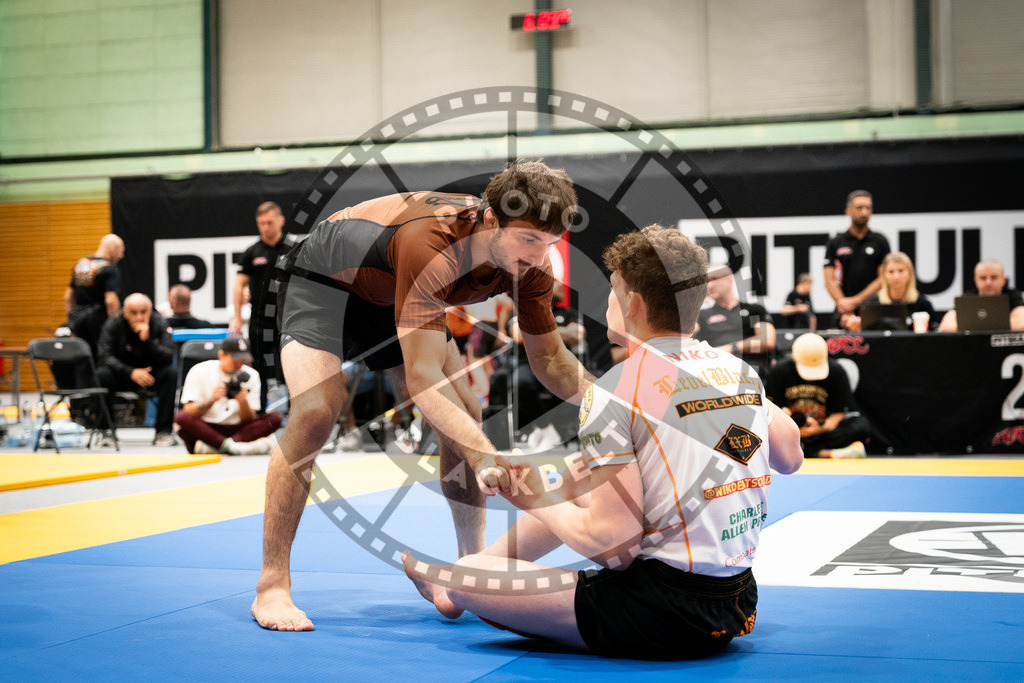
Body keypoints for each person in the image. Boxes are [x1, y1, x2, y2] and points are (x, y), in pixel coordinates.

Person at [402, 225, 804, 660]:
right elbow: (790, 456)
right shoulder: (737, 370)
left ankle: (453, 586)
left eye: (612, 291)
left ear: (632, 304)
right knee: (581, 476)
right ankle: (453, 583)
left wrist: (537, 499)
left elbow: (612, 546)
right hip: (739, 599)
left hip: (661, 612)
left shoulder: (616, 389)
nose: (607, 303)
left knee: (469, 574)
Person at [251, 159, 595, 631]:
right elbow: (423, 379)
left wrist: (616, 407)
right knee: (315, 411)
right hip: (323, 283)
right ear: (491, 218)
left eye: (550, 244)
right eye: (529, 239)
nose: (538, 256)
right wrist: (485, 456)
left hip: (391, 289)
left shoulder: (532, 268)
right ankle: (271, 584)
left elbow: (552, 361)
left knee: (466, 412)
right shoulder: (431, 241)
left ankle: (470, 570)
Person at [503, 279, 586, 450]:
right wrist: (562, 333)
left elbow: (578, 335)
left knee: (577, 384)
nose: (561, 285)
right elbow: (518, 334)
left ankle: (562, 431)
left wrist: (535, 331)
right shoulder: (523, 310)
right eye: (555, 281)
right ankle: (545, 428)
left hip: (561, 364)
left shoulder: (569, 313)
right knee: (519, 381)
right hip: (530, 364)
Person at [230, 201, 297, 412]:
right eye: (261, 223)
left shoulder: (294, 248)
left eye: (269, 222)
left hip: (288, 321)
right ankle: (259, 415)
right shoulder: (252, 252)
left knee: (291, 368)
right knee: (258, 368)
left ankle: (297, 413)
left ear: (281, 220)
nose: (265, 227)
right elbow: (239, 285)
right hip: (259, 320)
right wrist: (237, 317)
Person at [765, 332, 869, 459]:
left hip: (823, 430)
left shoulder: (836, 371)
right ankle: (824, 453)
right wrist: (785, 419)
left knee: (861, 426)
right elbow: (770, 409)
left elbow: (839, 413)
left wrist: (819, 429)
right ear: (794, 358)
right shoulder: (779, 371)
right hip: (789, 430)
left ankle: (808, 451)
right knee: (766, 431)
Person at [173, 335, 282, 455]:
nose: (239, 364)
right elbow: (188, 410)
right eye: (235, 360)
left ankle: (217, 446)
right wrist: (212, 400)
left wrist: (243, 401)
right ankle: (235, 447)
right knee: (181, 418)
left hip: (238, 427)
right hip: (208, 427)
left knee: (275, 418)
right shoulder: (199, 370)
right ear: (221, 355)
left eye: (242, 360)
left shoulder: (251, 375)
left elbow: (249, 418)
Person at [96, 293, 177, 447]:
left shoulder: (159, 321)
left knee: (171, 373)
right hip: (123, 375)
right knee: (102, 375)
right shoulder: (113, 324)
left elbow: (168, 356)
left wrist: (147, 341)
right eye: (133, 312)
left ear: (150, 310)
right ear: (125, 312)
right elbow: (104, 356)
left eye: (143, 312)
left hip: (150, 376)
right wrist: (131, 372)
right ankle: (105, 431)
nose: (139, 317)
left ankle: (163, 431)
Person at [694, 262, 775, 377]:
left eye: (714, 279)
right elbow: (683, 334)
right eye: (706, 281)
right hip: (716, 370)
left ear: (729, 279)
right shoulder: (702, 315)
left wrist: (732, 348)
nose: (709, 285)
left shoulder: (753, 310)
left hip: (751, 369)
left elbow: (766, 340)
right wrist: (693, 304)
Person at [823, 190, 891, 321]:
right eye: (859, 208)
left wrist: (856, 301)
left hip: (874, 309)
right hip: (843, 312)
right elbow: (829, 280)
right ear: (848, 211)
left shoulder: (880, 241)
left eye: (868, 208)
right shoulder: (836, 242)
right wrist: (844, 305)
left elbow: (883, 278)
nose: (864, 212)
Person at [64, 234, 125, 358]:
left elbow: (68, 296)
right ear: (112, 248)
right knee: (102, 358)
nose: (121, 256)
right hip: (98, 323)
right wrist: (114, 326)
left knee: (82, 359)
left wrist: (72, 319)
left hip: (78, 322)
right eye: (120, 251)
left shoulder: (81, 265)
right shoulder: (110, 269)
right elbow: (110, 300)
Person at [842, 252, 936, 331]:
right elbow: (866, 340)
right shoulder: (872, 304)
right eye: (891, 272)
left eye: (901, 271)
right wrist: (856, 329)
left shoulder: (922, 304)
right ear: (884, 275)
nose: (896, 276)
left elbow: (933, 335)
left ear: (910, 273)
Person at [938, 258, 1024, 332]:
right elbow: (946, 326)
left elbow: (1021, 323)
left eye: (994, 277)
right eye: (983, 278)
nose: (988, 283)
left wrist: (973, 325)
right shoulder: (967, 298)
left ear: (1004, 280)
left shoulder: (1012, 296)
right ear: (975, 280)